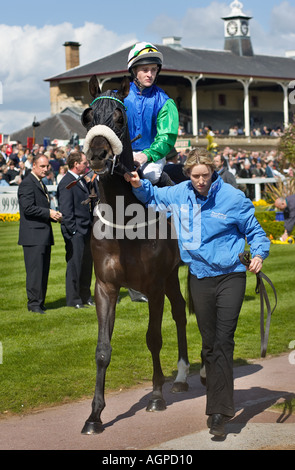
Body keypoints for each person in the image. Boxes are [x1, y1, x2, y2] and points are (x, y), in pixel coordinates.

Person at [125, 148, 270, 438]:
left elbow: (255, 232)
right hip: (199, 277)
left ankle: (219, 411)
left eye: (205, 175)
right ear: (188, 175)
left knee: (223, 340)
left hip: (231, 276)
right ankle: (218, 399)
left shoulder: (232, 198)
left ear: (212, 172)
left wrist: (259, 254)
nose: (201, 181)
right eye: (195, 176)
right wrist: (139, 185)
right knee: (208, 344)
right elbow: (153, 197)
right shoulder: (180, 193)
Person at [125, 42, 179, 185]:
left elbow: (166, 137)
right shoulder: (118, 97)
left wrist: (146, 155)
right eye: (145, 69)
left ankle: (165, 206)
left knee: (150, 176)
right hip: (122, 153)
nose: (150, 74)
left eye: (153, 70)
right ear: (134, 70)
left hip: (152, 156)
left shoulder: (165, 102)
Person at [18, 155, 62, 314]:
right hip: (33, 236)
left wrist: (54, 216)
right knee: (35, 272)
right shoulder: (27, 184)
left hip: (41, 235)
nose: (46, 169)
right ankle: (34, 304)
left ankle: (40, 302)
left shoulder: (39, 182)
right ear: (34, 166)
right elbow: (28, 208)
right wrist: (48, 212)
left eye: (47, 166)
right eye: (42, 166)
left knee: (43, 271)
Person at [57, 151, 94, 309]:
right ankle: (73, 299)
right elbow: (66, 210)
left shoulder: (80, 180)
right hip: (76, 231)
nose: (87, 165)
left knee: (86, 265)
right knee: (75, 266)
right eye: (84, 163)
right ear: (76, 164)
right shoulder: (67, 182)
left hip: (86, 229)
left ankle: (85, 296)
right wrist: (73, 231)